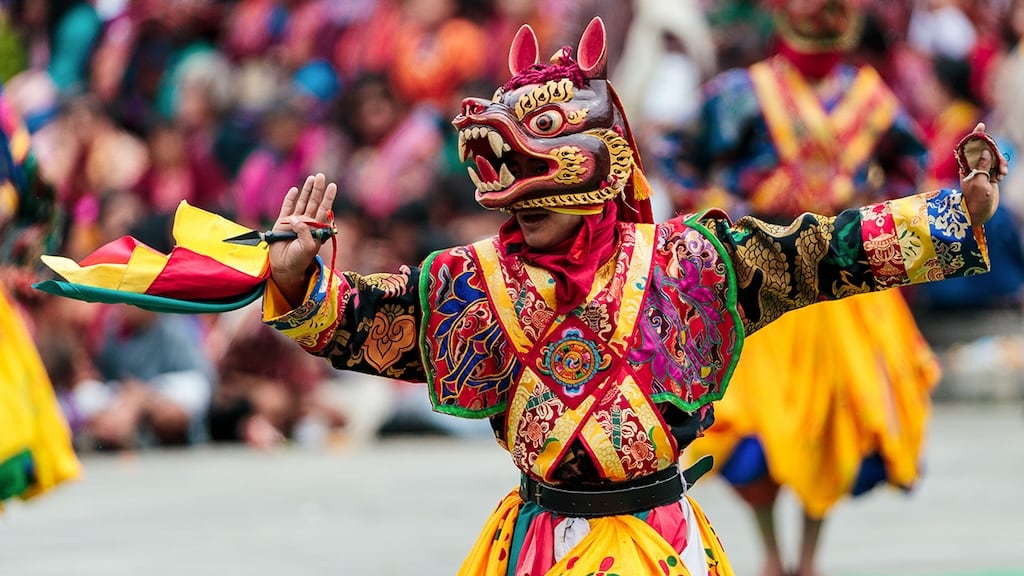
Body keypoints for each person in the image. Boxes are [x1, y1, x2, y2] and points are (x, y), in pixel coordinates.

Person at [258, 18, 1003, 575]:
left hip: (660, 541)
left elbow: (821, 254)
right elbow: (371, 322)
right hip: (545, 544)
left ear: (604, 169)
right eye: (513, 196)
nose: (524, 208)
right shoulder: (469, 282)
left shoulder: (691, 262)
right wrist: (298, 280)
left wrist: (950, 216)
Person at [657, 2, 973, 574]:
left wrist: (873, 215)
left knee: (832, 423)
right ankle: (773, 554)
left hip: (840, 282)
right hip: (756, 277)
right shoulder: (741, 93)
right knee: (749, 428)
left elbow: (912, 166)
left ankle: (806, 557)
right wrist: (720, 210)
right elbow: (679, 159)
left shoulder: (870, 99)